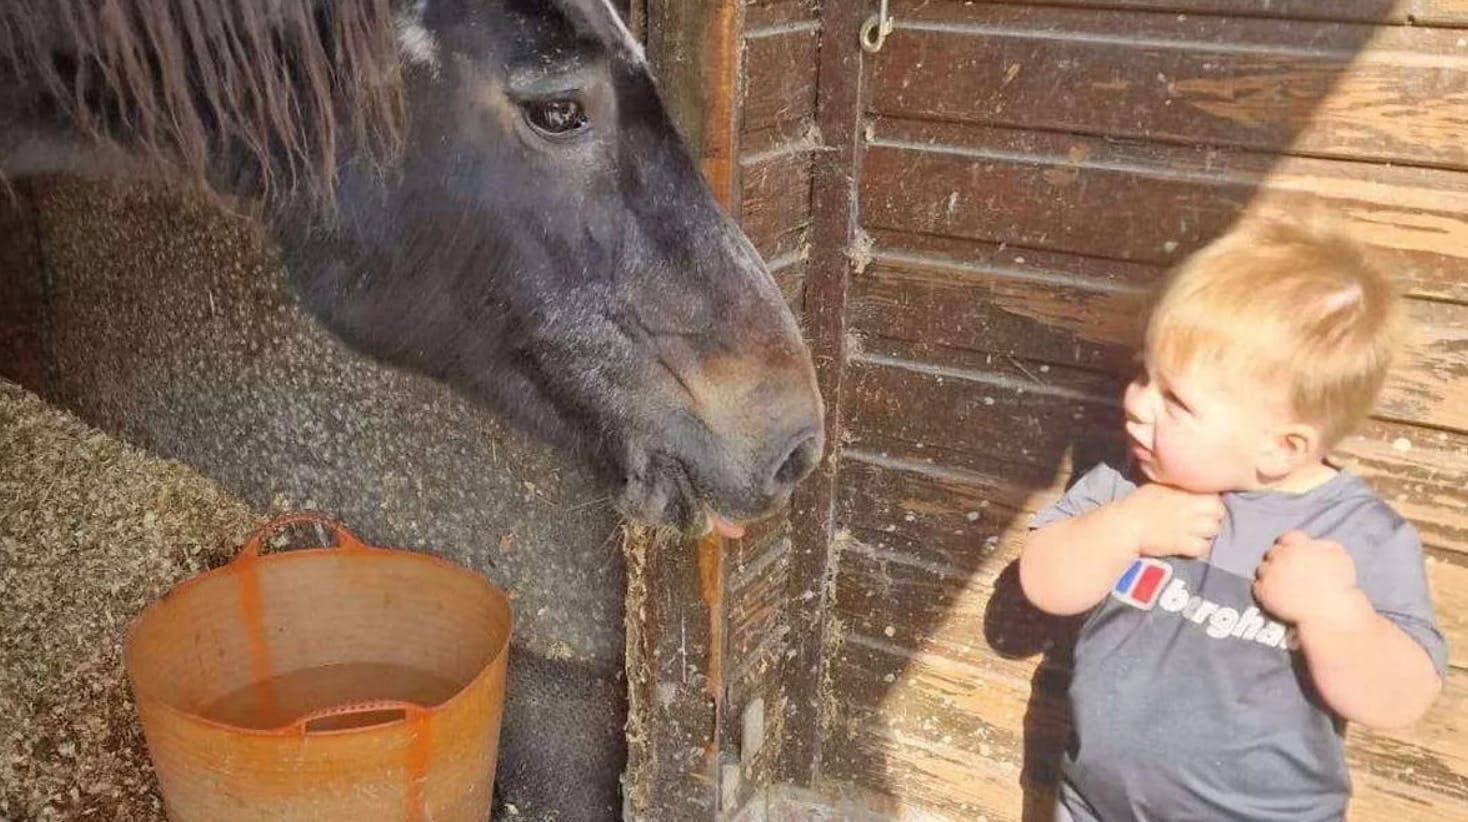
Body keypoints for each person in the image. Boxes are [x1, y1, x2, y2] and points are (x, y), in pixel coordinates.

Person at [1018, 219, 1448, 821]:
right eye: (1145, 374)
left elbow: (1402, 698)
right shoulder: (1131, 486)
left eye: (1177, 401)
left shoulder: (1356, 535)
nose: (1136, 403)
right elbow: (1044, 583)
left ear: (1281, 449)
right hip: (1095, 805)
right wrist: (1125, 528)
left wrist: (1335, 613)